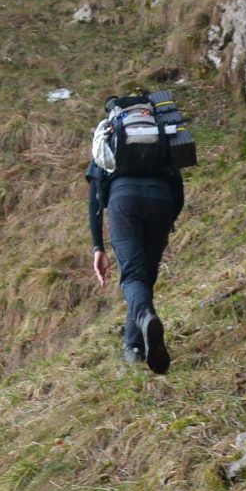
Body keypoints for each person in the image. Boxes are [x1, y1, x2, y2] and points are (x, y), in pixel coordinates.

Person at [88, 94, 188, 373]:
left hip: (124, 202)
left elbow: (95, 199)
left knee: (133, 276)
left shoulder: (110, 135)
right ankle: (135, 346)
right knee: (146, 275)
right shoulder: (161, 132)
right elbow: (178, 189)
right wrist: (168, 220)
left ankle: (144, 320)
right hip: (161, 202)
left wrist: (98, 247)